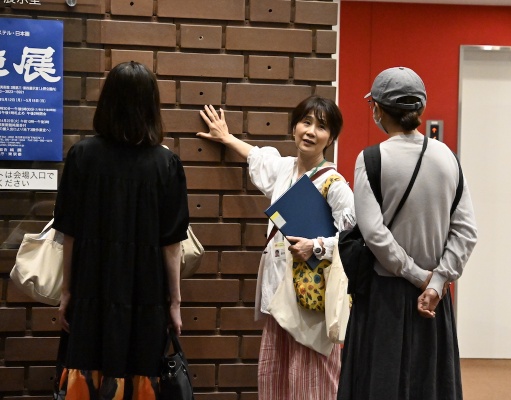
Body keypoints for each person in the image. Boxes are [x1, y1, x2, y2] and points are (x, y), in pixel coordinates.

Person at [197, 95, 355, 399]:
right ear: (294, 127)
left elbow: (354, 239)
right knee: (277, 383)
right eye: (305, 122)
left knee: (313, 386)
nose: (310, 132)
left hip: (311, 303)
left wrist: (316, 246)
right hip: (279, 299)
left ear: (331, 138)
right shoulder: (284, 169)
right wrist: (226, 137)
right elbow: (256, 157)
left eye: (321, 127)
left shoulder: (334, 184)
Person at [337, 67, 478, 400]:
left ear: (378, 109)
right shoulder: (448, 157)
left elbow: (374, 234)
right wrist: (437, 281)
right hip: (434, 299)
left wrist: (417, 275)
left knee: (380, 385)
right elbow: (466, 230)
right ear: (421, 108)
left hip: (383, 297)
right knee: (430, 386)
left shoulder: (371, 159)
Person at [53, 61, 189, 399]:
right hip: (146, 293)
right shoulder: (166, 164)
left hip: (91, 287)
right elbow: (172, 244)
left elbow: (69, 233)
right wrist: (175, 301)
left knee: (88, 364)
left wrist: (67, 291)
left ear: (107, 102)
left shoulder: (81, 156)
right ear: (151, 106)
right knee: (141, 367)